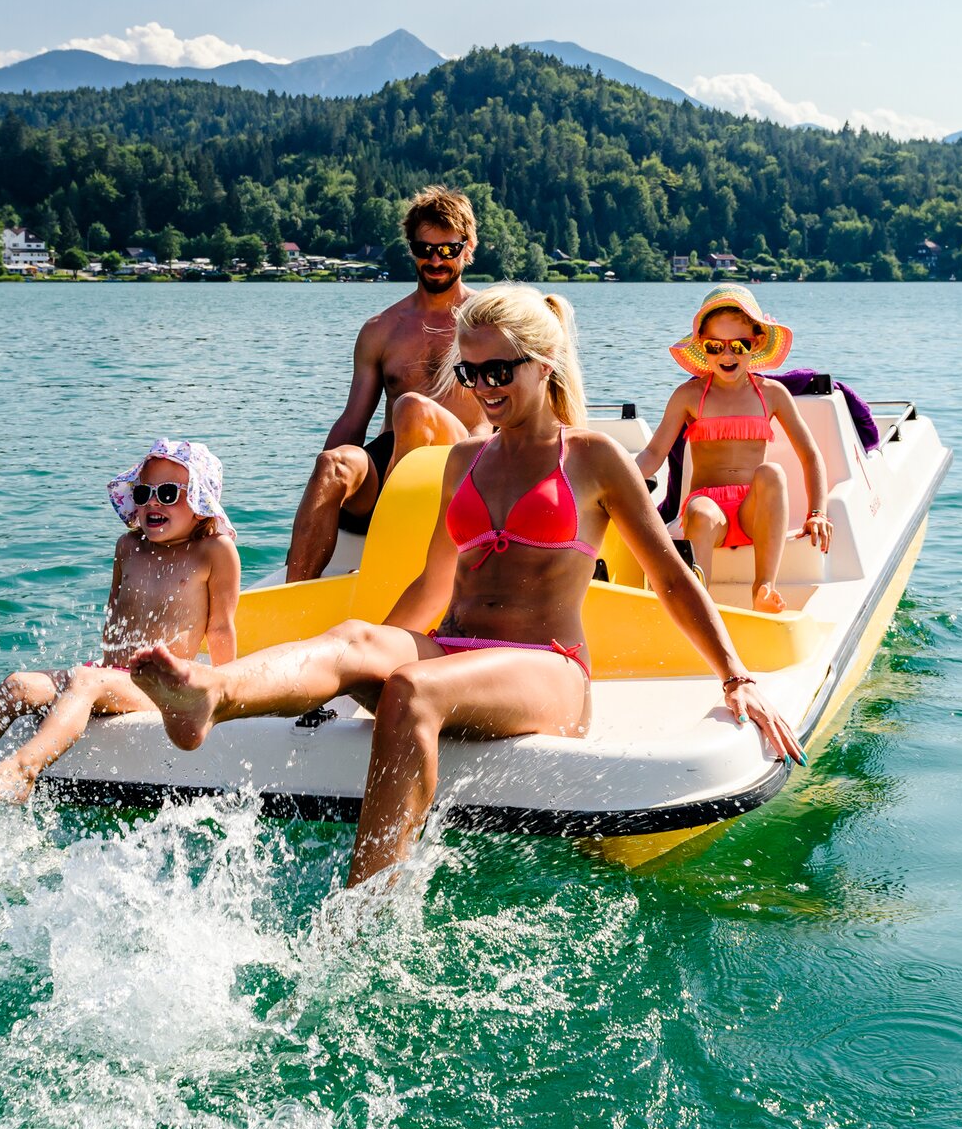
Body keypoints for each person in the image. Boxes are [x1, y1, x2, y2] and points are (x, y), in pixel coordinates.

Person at [130, 286, 804, 888]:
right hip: (454, 649)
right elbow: (434, 584)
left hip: (549, 669)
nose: (483, 386)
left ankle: (365, 914)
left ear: (544, 364)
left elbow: (669, 577)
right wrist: (369, 657)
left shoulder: (592, 457)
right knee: (354, 640)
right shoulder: (462, 461)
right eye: (470, 371)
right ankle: (211, 695)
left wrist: (735, 676)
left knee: (411, 689)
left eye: (498, 370)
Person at [0, 440, 240, 819]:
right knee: (18, 685)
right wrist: (102, 679)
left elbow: (221, 629)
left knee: (88, 681)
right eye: (143, 493)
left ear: (200, 503)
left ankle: (23, 770)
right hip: (115, 678)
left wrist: (228, 704)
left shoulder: (214, 551)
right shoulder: (129, 546)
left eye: (168, 493)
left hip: (164, 687)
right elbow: (115, 618)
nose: (153, 503)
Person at [286, 186, 490, 581]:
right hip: (392, 459)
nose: (435, 260)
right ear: (411, 249)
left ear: (468, 248)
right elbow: (353, 421)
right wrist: (316, 499)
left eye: (447, 249)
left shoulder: (487, 321)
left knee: (413, 408)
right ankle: (293, 594)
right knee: (331, 465)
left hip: (465, 459)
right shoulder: (381, 330)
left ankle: (392, 565)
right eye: (424, 249)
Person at [634, 287, 831, 614]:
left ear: (755, 343)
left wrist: (817, 513)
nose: (727, 355)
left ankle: (763, 587)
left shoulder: (772, 394)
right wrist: (616, 474)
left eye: (738, 345)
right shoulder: (689, 395)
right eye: (716, 346)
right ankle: (699, 605)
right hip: (708, 511)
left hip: (753, 512)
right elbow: (653, 455)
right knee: (701, 511)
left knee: (771, 472)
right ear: (703, 345)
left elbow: (810, 455)